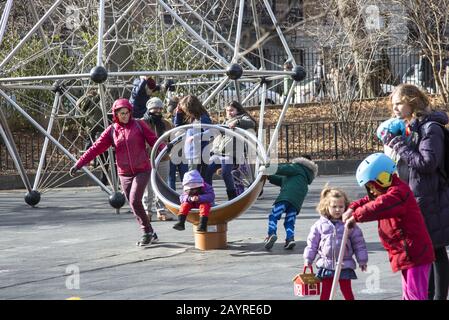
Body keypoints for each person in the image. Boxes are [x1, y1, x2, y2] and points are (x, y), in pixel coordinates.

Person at [69, 98, 166, 247]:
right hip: (124, 173)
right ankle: (150, 232)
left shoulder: (140, 125)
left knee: (134, 199)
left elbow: (154, 140)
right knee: (133, 204)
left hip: (142, 169)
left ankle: (146, 232)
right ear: (116, 114)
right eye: (122, 113)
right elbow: (95, 148)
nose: (125, 116)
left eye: (127, 113)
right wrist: (79, 164)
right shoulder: (112, 130)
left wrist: (165, 148)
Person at [383, 84, 449, 300]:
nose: (395, 109)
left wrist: (400, 146)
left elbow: (427, 163)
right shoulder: (411, 128)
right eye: (393, 105)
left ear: (412, 102)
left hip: (432, 198)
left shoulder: (431, 128)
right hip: (415, 199)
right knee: (424, 252)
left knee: (435, 251)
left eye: (399, 103)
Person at [343, 153, 435, 300]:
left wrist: (356, 216)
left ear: (383, 178)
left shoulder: (398, 193)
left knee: (415, 295)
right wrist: (352, 208)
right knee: (408, 294)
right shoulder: (387, 191)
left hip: (414, 252)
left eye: (372, 187)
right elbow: (370, 200)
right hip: (406, 253)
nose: (372, 191)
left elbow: (379, 205)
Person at [303, 185, 368, 300]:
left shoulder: (349, 224)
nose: (338, 210)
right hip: (327, 264)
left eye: (341, 206)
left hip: (345, 264)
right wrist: (308, 259)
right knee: (326, 292)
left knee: (347, 291)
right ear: (326, 206)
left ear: (345, 207)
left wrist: (362, 260)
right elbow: (312, 244)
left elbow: (359, 244)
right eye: (334, 207)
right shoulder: (320, 225)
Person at [204, 100, 256, 200]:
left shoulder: (242, 118)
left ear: (238, 110)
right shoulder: (225, 122)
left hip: (231, 153)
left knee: (225, 173)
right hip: (218, 152)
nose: (229, 113)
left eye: (232, 110)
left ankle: (232, 195)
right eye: (227, 111)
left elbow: (251, 123)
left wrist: (237, 122)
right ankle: (208, 193)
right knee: (208, 170)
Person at [264, 155, 318, 250]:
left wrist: (268, 167)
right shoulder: (304, 175)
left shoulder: (297, 167)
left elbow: (283, 169)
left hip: (286, 197)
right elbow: (281, 180)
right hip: (296, 202)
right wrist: (269, 176)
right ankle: (290, 239)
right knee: (289, 221)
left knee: (274, 215)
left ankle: (271, 233)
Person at [142, 97, 174, 221]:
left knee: (162, 185)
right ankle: (147, 211)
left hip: (163, 158)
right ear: (149, 108)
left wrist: (169, 147)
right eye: (155, 108)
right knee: (148, 186)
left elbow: (172, 138)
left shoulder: (166, 123)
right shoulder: (142, 123)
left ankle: (161, 210)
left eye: (160, 108)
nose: (158, 111)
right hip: (147, 158)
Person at [76, 88, 109, 185]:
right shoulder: (93, 99)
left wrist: (81, 128)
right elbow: (100, 96)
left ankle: (87, 159)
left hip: (90, 124)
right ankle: (91, 160)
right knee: (100, 146)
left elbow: (81, 113)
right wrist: (101, 88)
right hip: (98, 124)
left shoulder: (83, 101)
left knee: (89, 142)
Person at [174, 95, 212, 177]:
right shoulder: (192, 119)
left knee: (196, 180)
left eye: (185, 109)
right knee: (193, 180)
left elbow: (210, 132)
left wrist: (196, 137)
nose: (184, 111)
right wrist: (179, 115)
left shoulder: (202, 118)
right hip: (191, 154)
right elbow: (178, 128)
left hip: (199, 155)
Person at [167, 96, 188, 191]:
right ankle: (185, 195)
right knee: (181, 175)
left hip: (177, 150)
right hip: (177, 150)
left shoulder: (180, 119)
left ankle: (177, 196)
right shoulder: (184, 118)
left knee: (174, 176)